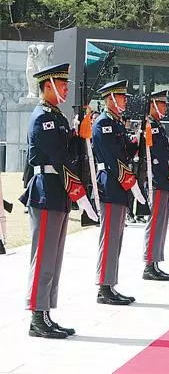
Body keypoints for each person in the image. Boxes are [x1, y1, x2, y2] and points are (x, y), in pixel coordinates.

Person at [21, 63, 94, 338]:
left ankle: (46, 312)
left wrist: (80, 134)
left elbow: (70, 151)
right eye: (62, 84)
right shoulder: (43, 118)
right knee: (43, 256)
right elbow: (60, 157)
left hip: (58, 192)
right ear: (48, 85)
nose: (66, 88)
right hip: (46, 191)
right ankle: (37, 316)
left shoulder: (57, 117)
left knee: (54, 257)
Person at [91, 80, 145, 305]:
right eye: (121, 97)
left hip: (119, 187)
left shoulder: (116, 123)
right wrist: (132, 184)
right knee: (110, 237)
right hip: (111, 185)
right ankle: (104, 287)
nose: (125, 100)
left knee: (117, 238)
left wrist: (139, 140)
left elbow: (126, 152)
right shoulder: (104, 124)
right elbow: (114, 160)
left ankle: (110, 284)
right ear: (110, 98)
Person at [140, 90, 169, 282]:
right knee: (156, 223)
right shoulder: (150, 125)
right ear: (152, 104)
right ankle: (149, 264)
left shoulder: (157, 125)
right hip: (157, 181)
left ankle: (155, 262)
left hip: (164, 181)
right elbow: (152, 156)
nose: (165, 107)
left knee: (162, 224)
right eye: (162, 104)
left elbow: (165, 153)